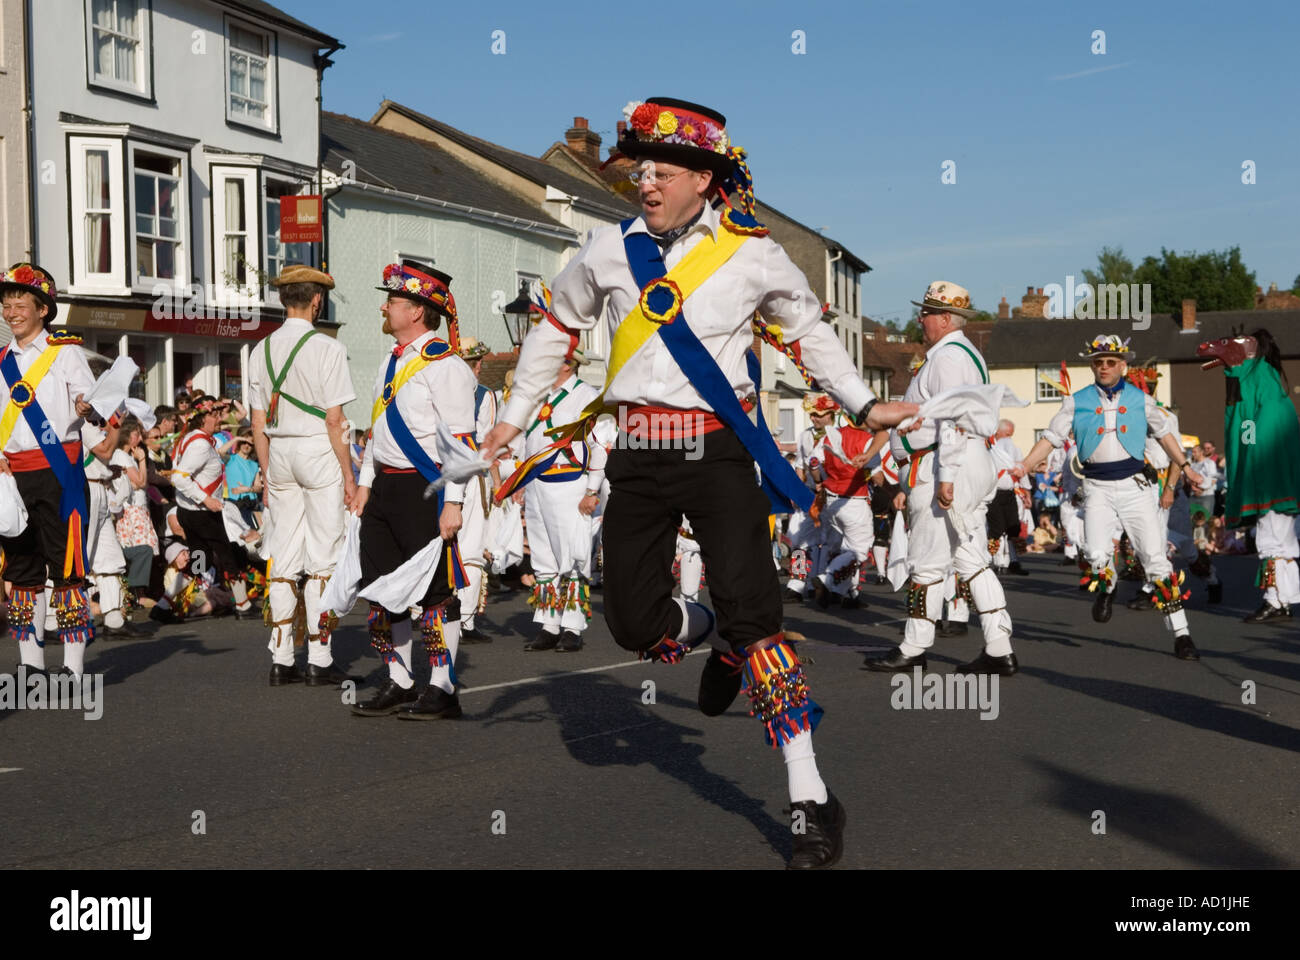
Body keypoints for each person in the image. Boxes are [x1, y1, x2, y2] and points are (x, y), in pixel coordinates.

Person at [479, 98, 917, 868]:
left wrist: (863, 401)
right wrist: (514, 417)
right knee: (631, 624)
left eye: (663, 170)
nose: (646, 182)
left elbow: (811, 331)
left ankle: (811, 797)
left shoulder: (751, 254)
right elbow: (554, 327)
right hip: (636, 458)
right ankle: (710, 635)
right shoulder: (606, 250)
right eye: (641, 169)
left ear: (705, 179)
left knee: (761, 619)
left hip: (716, 455)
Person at [864, 281, 1019, 677]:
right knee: (971, 558)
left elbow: (954, 417)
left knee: (927, 563)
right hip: (960, 463)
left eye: (928, 312)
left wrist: (946, 474)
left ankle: (914, 647)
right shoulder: (959, 355)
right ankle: (999, 647)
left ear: (946, 319)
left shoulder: (948, 358)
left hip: (944, 467)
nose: (921, 318)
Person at [1014, 335, 1200, 660]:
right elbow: (1051, 438)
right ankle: (1107, 586)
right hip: (1097, 488)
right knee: (1096, 553)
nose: (1104, 367)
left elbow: (1166, 436)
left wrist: (1186, 467)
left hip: (1135, 488)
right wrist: (1024, 466)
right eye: (1098, 362)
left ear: (1123, 365)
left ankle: (1182, 634)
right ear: (1092, 365)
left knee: (1155, 560)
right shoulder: (1076, 401)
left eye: (1110, 362)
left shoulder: (1140, 399)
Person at [349, 260, 475, 719]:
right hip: (385, 487)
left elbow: (461, 439)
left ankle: (443, 688)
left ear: (418, 311)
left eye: (394, 302)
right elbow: (377, 427)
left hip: (427, 489)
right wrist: (365, 483)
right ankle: (400, 679)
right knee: (383, 587)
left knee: (435, 591)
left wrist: (454, 503)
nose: (385, 307)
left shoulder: (447, 365)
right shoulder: (390, 359)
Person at [248, 264, 357, 686]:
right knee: (323, 558)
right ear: (317, 301)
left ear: (282, 300)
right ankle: (320, 657)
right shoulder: (328, 348)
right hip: (316, 449)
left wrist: (267, 472)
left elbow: (258, 422)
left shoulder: (260, 350)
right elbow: (335, 420)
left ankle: (281, 659)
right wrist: (349, 475)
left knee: (284, 557)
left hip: (279, 452)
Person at [0, 263, 101, 675]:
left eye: (19, 302)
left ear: (43, 308)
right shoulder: (2, 360)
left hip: (61, 472)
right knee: (22, 569)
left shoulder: (66, 351)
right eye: (6, 305)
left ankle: (73, 666)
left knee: (67, 568)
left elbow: (96, 403)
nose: (10, 311)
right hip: (12, 476)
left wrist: (87, 406)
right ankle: (31, 666)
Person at [503, 350, 610, 653]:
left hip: (570, 485)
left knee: (574, 556)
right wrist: (521, 482)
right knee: (543, 558)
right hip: (538, 484)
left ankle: (572, 627)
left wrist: (591, 491)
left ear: (566, 364)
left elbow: (600, 445)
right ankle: (549, 624)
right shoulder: (540, 396)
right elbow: (527, 441)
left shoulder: (586, 396)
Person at [164, 395, 257, 621]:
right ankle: (243, 606)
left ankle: (163, 605)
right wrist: (205, 499)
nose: (219, 418)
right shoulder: (199, 444)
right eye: (214, 415)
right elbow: (178, 477)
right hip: (202, 513)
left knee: (200, 560)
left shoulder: (197, 440)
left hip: (192, 513)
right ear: (202, 419)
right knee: (227, 556)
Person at [453, 336, 500, 644]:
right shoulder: (484, 395)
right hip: (471, 474)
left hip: (442, 473)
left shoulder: (436, 389)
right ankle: (465, 621)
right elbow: (487, 443)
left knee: (441, 543)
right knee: (470, 547)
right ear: (478, 364)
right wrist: (497, 480)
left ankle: (424, 611)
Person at [784, 395, 835, 602]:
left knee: (830, 541)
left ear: (831, 414)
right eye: (812, 414)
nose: (814, 418)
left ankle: (823, 583)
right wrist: (797, 492)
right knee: (799, 539)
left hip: (833, 495)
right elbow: (801, 465)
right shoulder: (805, 435)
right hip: (810, 494)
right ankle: (796, 584)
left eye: (818, 415)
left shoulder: (839, 435)